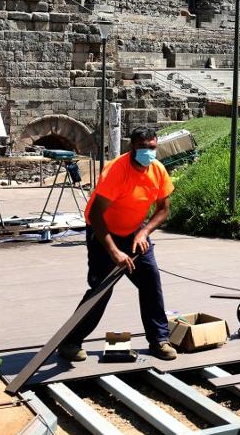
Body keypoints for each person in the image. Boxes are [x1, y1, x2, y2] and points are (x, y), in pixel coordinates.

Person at [58, 126, 178, 362]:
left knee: (151, 283)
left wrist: (144, 232)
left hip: (135, 234)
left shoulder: (158, 170)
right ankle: (70, 342)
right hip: (104, 234)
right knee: (101, 290)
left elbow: (163, 210)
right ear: (132, 147)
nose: (149, 153)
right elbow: (95, 215)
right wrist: (113, 250)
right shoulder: (116, 170)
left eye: (152, 148)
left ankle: (159, 340)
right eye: (143, 148)